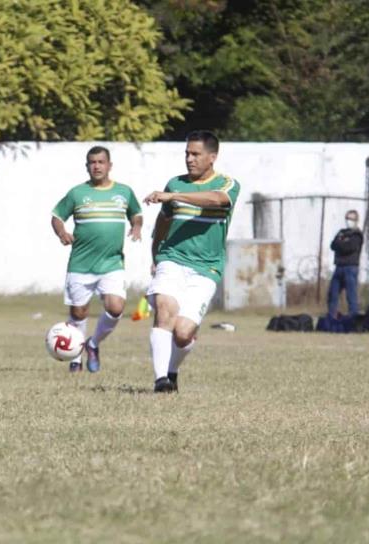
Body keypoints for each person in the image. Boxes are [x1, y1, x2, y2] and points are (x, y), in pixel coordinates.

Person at [143, 130, 240, 393]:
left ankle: (172, 372)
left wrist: (173, 197)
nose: (189, 159)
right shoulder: (175, 183)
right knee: (165, 308)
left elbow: (217, 199)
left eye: (195, 154)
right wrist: (155, 257)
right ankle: (160, 380)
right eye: (187, 153)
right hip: (172, 258)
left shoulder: (227, 185)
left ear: (212, 157)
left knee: (184, 333)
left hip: (206, 268)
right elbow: (162, 223)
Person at [50, 146, 143, 373]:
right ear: (87, 166)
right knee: (78, 313)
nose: (97, 166)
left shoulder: (124, 192)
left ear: (109, 165)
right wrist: (62, 233)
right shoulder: (77, 193)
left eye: (101, 162)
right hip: (81, 264)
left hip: (112, 263)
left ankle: (92, 344)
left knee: (116, 307)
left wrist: (137, 226)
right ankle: (75, 358)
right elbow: (56, 216)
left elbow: (136, 213)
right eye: (92, 162)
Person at [327, 210, 363, 318]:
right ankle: (331, 317)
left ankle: (353, 318)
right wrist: (342, 242)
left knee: (351, 295)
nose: (349, 221)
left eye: (351, 219)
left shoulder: (357, 235)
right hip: (339, 267)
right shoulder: (341, 232)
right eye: (347, 218)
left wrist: (341, 243)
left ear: (356, 221)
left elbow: (349, 247)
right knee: (332, 293)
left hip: (350, 267)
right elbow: (333, 245)